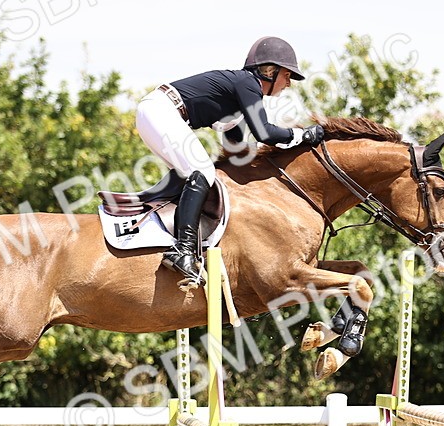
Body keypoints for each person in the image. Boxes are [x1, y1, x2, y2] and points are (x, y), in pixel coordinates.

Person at [136, 36, 325, 286]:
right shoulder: (248, 84)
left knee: (194, 172)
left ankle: (164, 225)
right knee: (201, 171)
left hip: (157, 112)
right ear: (270, 71)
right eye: (287, 76)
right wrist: (302, 134)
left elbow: (235, 147)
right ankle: (181, 251)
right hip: (161, 111)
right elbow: (265, 132)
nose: (288, 84)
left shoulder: (240, 95)